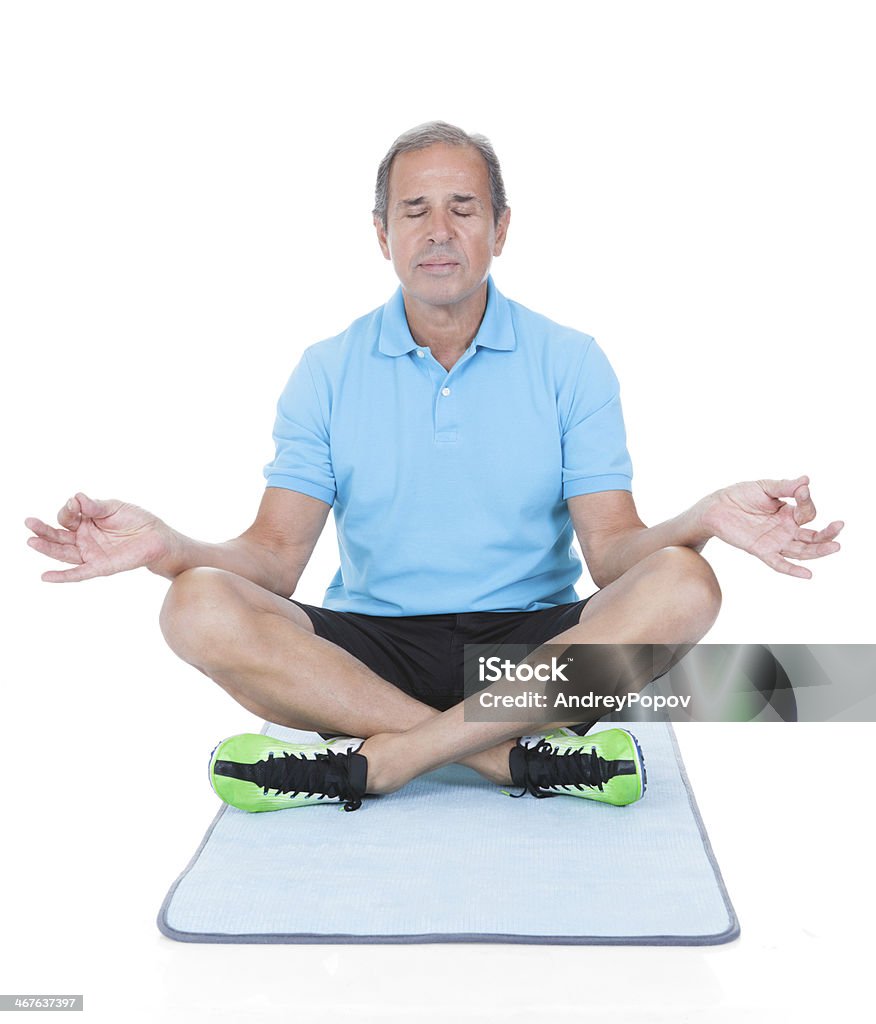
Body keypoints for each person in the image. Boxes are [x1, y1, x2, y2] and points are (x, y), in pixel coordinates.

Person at [26, 121, 844, 814]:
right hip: (369, 654)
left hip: (527, 656)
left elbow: (617, 556)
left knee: (686, 583)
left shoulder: (572, 361)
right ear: (382, 233)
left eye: (464, 208)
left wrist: (702, 520)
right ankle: (498, 756)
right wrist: (169, 547)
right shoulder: (327, 369)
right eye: (414, 211)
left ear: (502, 228)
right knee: (194, 605)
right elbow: (273, 562)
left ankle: (386, 760)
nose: (439, 231)